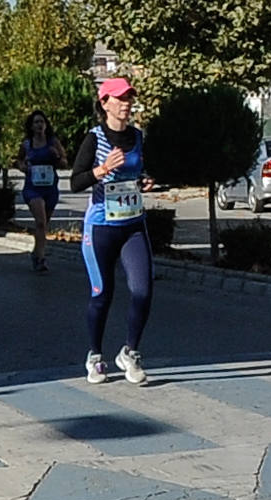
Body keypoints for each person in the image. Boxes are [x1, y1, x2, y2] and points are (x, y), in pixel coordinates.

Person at [70, 78, 154, 385]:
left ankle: (130, 353)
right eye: (119, 99)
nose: (126, 104)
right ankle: (95, 356)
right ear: (104, 103)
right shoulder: (94, 138)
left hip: (133, 224)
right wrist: (102, 170)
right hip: (101, 226)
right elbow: (75, 182)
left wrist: (144, 179)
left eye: (129, 98)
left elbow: (138, 171)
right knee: (102, 293)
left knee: (143, 291)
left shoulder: (137, 136)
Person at [16, 110, 68, 272]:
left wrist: (57, 157)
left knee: (43, 225)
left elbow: (65, 163)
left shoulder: (53, 142)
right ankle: (41, 258)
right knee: (40, 221)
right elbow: (18, 160)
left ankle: (36, 252)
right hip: (33, 188)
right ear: (31, 126)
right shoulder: (27, 144)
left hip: (50, 188)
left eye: (42, 122)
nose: (39, 125)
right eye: (36, 122)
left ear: (46, 125)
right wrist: (23, 167)